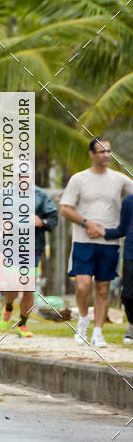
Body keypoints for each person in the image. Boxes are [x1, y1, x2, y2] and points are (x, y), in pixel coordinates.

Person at [60, 137, 133, 348]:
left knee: (103, 288)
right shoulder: (79, 179)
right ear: (92, 154)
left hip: (109, 243)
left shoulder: (119, 180)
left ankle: (98, 332)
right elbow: (65, 209)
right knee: (83, 286)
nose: (106, 155)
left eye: (108, 151)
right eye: (101, 152)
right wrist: (86, 223)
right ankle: (83, 320)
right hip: (83, 241)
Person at [0, 186, 58, 337]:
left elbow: (53, 217)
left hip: (33, 246)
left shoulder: (40, 196)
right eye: (20, 174)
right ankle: (8, 307)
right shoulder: (5, 194)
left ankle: (23, 324)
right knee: (13, 282)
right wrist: (1, 225)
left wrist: (43, 222)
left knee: (28, 285)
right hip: (11, 245)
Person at [97, 192, 133, 344]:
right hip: (131, 254)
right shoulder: (129, 201)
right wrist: (103, 232)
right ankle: (132, 323)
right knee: (127, 295)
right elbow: (121, 229)